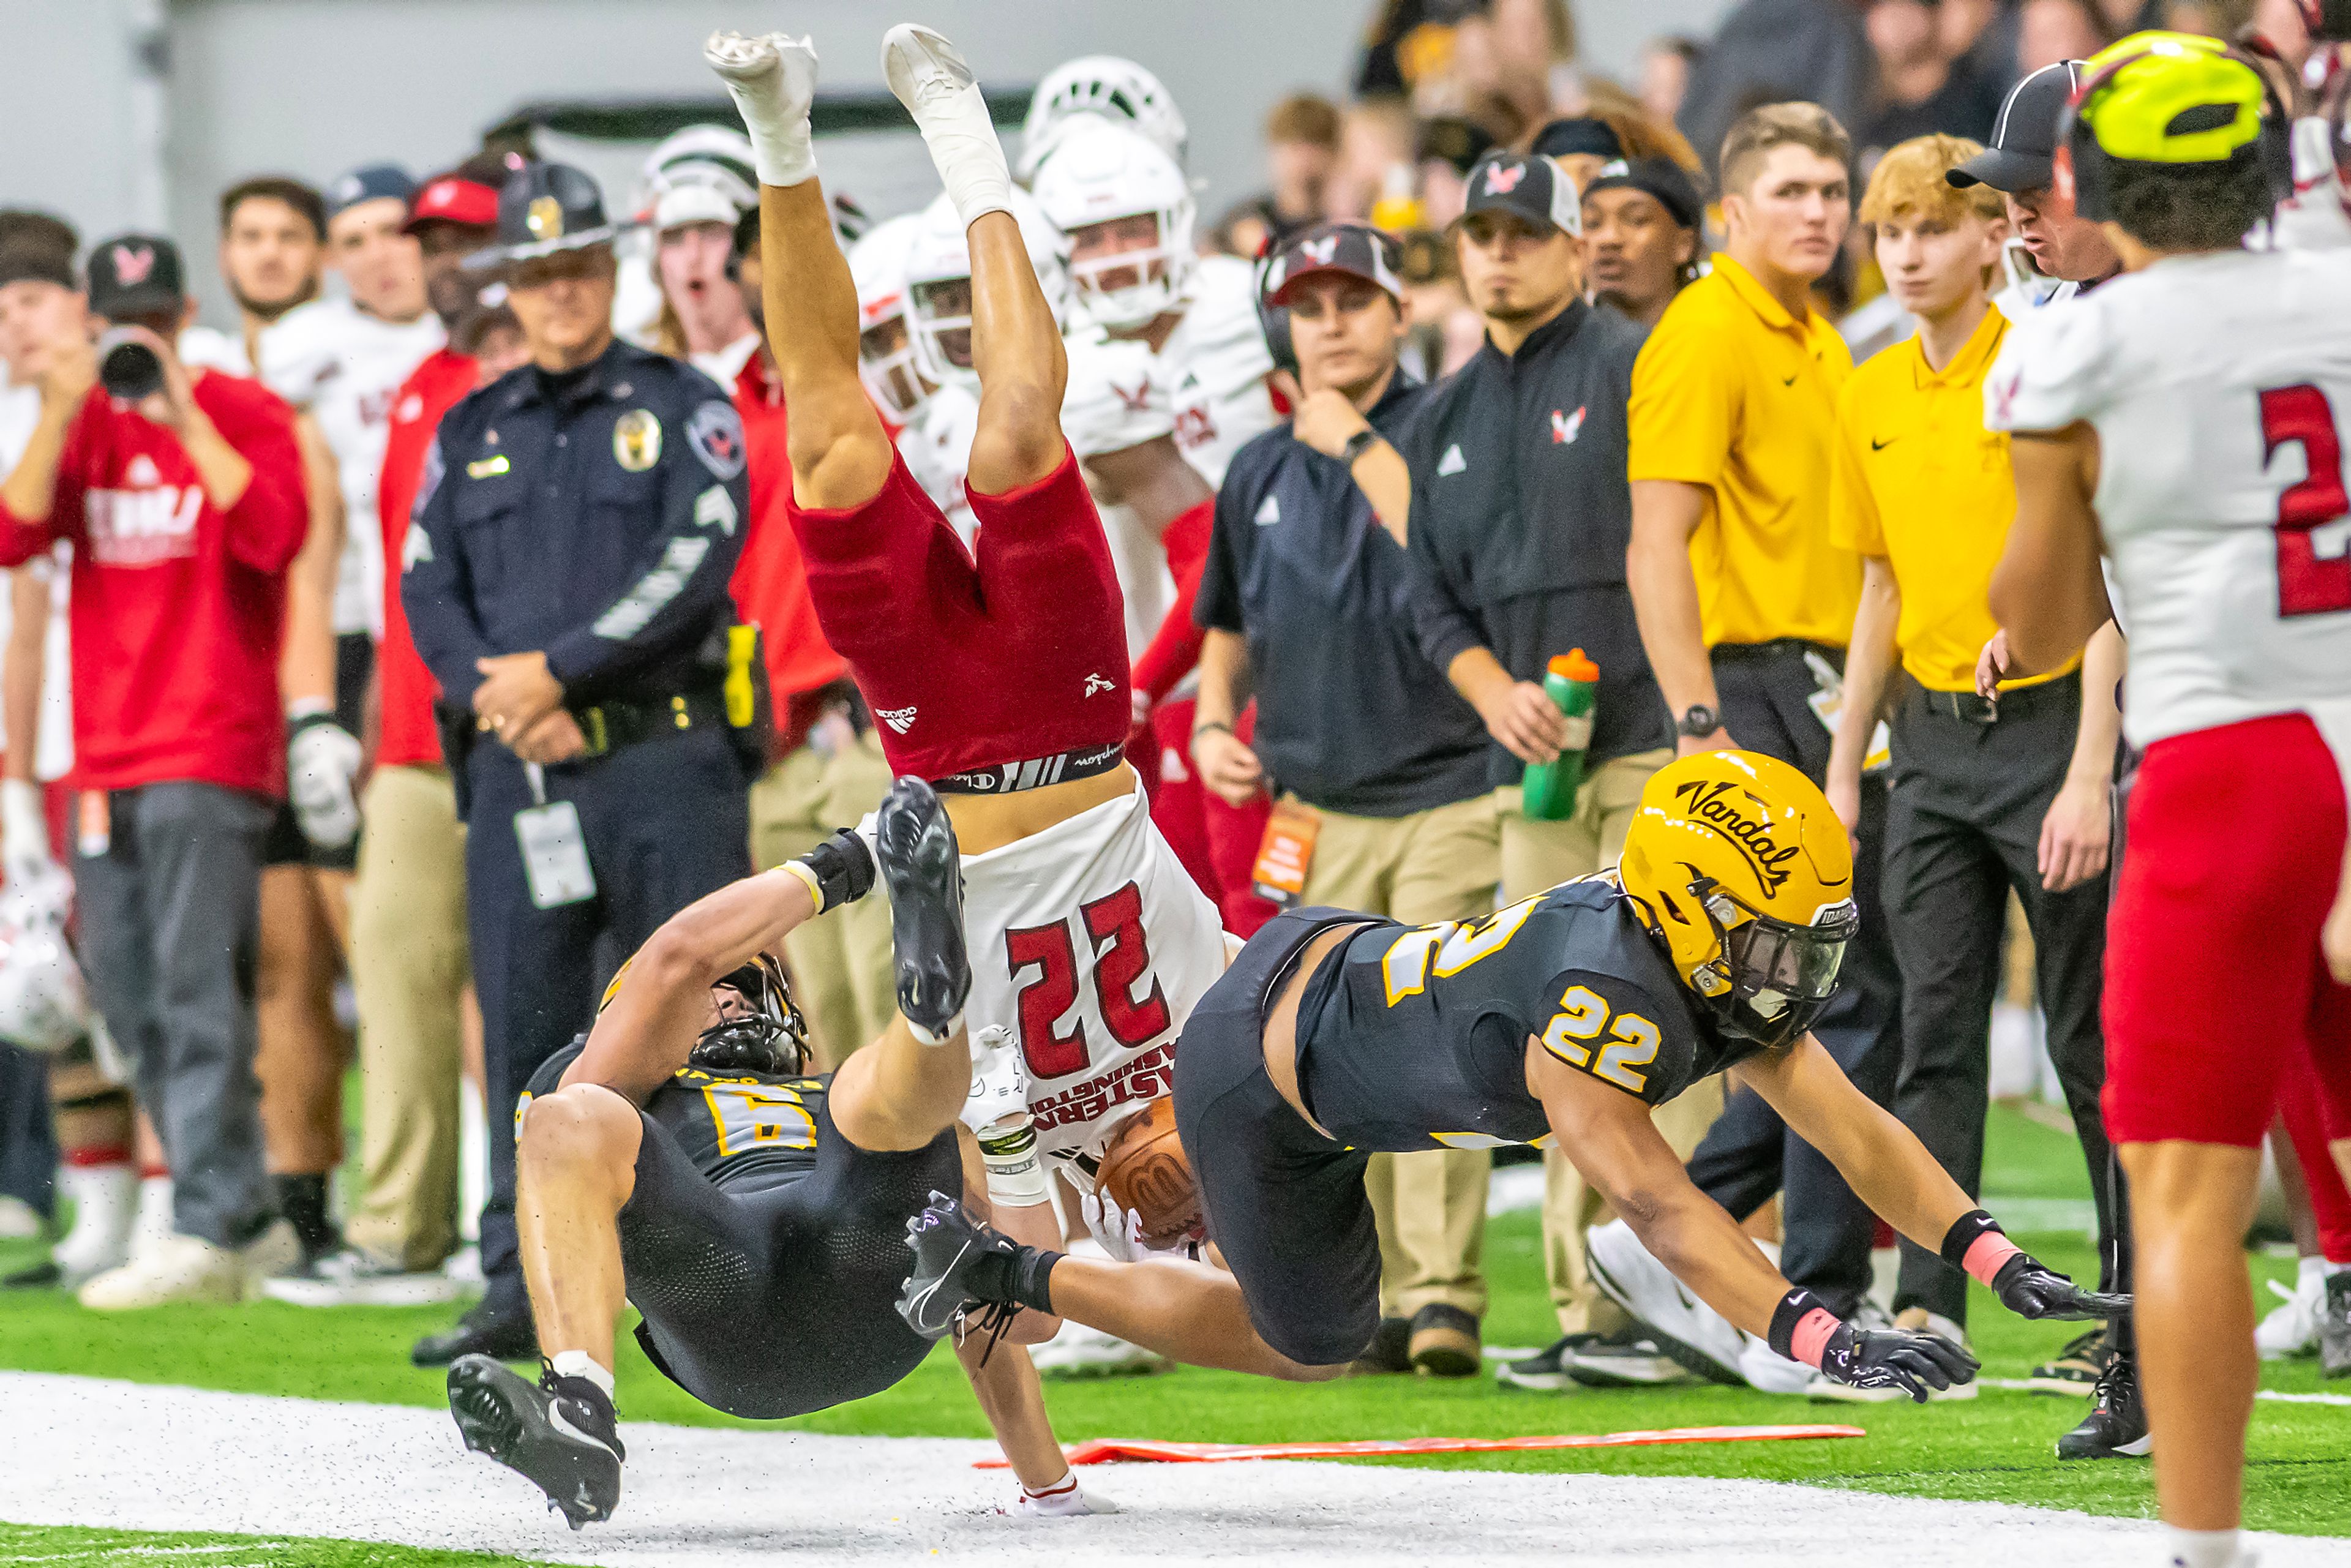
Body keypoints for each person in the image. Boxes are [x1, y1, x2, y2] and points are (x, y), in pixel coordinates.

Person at [903, 751, 2125, 1397]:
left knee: (1300, 1295)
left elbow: (1853, 1127)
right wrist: (1823, 1334)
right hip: (1266, 1072)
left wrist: (1992, 1254)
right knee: (1311, 1343)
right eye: (1773, 939)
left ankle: (1062, 1220)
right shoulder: (1601, 1001)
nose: (1791, 970)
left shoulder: (1678, 954)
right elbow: (1658, 1207)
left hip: (1329, 982)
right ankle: (1013, 1262)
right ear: (1693, 909)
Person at [704, 20, 1226, 1302]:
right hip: (1076, 723)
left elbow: (1010, 1281)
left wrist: (1066, 1241)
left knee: (828, 453)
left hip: (941, 761)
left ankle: (779, 134)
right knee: (1013, 440)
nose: (1168, 1184)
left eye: (1164, 1207)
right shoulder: (1229, 1052)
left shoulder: (1021, 1143)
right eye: (1201, 1197)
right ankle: (967, 147)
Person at [1985, 34, 2351, 1567]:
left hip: (2232, 755)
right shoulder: (2334, 280)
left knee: (2190, 1189)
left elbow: (2048, 616)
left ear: (2092, 180)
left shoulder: (2076, 347)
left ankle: (2208, 1545)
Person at [448, 778, 1104, 1524]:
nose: (730, 999)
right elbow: (677, 957)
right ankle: (579, 1416)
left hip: (872, 1283)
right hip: (720, 1288)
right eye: (713, 990)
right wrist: (853, 858)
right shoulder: (616, 1088)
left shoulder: (850, 1093)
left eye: (748, 989)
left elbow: (1022, 1310)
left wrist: (1047, 1478)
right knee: (567, 1114)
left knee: (870, 1088)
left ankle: (931, 1014)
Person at [401, 163, 757, 1365]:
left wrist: (558, 670)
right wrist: (500, 699)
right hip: (524, 772)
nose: (560, 293)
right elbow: (424, 584)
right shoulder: (476, 425)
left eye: (579, 269)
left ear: (612, 271)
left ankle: (726, 1266)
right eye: (538, 274)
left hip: (664, 759)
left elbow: (697, 558)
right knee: (525, 1022)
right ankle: (520, 1275)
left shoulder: (681, 402)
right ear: (513, 284)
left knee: (702, 1020)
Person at [1823, 133, 2129, 1449]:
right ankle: (1929, 1302)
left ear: (1991, 236)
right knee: (1931, 1029)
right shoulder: (1871, 385)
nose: (1907, 249)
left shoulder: (2048, 364)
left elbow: (2111, 580)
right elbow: (1881, 584)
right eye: (1889, 228)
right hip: (1928, 747)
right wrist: (1844, 764)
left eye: (1934, 226)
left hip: (2052, 726)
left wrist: (2086, 772)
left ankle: (2132, 1304)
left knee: (2089, 1038)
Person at [1390, 149, 1693, 1393]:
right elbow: (1431, 598)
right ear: (1462, 253)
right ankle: (1587, 1305)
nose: (1501, 254)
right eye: (1484, 235)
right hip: (1537, 770)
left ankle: (1662, 1289)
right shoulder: (1443, 415)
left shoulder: (1634, 364)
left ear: (1576, 248)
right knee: (1555, 1040)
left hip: (1648, 744)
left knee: (1655, 1031)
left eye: (1527, 233)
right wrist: (1489, 691)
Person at [1620, 102, 1908, 1394]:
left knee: (1847, 992)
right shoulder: (1707, 328)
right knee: (1839, 991)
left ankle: (1690, 1226)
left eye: (1834, 189)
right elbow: (1654, 539)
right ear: (1731, 210)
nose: (1820, 211)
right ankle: (1822, 1299)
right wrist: (1697, 725)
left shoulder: (1814, 331)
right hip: (1751, 686)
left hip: (1818, 676)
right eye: (1791, 189)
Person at [1192, 219, 1497, 1376]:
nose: (1329, 324)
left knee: (1443, 1045)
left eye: (1351, 302)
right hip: (1312, 803)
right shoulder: (1259, 468)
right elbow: (1226, 623)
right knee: (1309, 1065)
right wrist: (1219, 720)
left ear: (1398, 311)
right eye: (1308, 307)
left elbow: (1454, 557)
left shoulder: (1441, 430)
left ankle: (1444, 1298)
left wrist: (1359, 440)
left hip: (1443, 789)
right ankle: (1351, 1304)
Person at [0, 233, 308, 1307]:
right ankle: (248, 1212)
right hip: (102, 754)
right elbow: (13, 531)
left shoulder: (244, 408)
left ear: (185, 318)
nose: (142, 339)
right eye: (121, 321)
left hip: (210, 745)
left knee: (193, 987)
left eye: (159, 321)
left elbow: (275, 536)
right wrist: (56, 402)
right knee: (127, 996)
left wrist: (184, 409)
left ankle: (212, 1216)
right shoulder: (77, 419)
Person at [285, 159, 508, 1305]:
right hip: (418, 738)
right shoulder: (420, 384)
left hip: (527, 729)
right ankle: (399, 1231)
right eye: (437, 246)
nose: (447, 265)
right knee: (394, 959)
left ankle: (533, 1228)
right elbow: (389, 574)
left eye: (468, 243)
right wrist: (370, 726)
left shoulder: (541, 375)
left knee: (537, 985)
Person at [255, 162, 448, 1278]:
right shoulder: (307, 357)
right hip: (364, 649)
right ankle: (395, 1208)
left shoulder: (477, 344)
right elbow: (312, 539)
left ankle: (485, 1200)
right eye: (359, 236)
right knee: (380, 947)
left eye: (398, 231)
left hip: (460, 642)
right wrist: (313, 703)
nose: (382, 253)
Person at [724, 201, 894, 1071]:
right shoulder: (730, 409)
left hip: (866, 719)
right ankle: (862, 1206)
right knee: (821, 1006)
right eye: (759, 258)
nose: (775, 275)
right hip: (775, 738)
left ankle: (942, 1195)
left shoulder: (888, 389)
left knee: (893, 986)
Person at [1946, 60, 2123, 304]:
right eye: (2009, 190)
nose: (2019, 215)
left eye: (2039, 187)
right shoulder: (2027, 315)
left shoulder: (2179, 305)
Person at [1581, 157, 1708, 330]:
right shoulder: (1559, 346)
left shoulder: (1713, 339)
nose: (1609, 239)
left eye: (1636, 220)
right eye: (1593, 223)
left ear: (1684, 245)